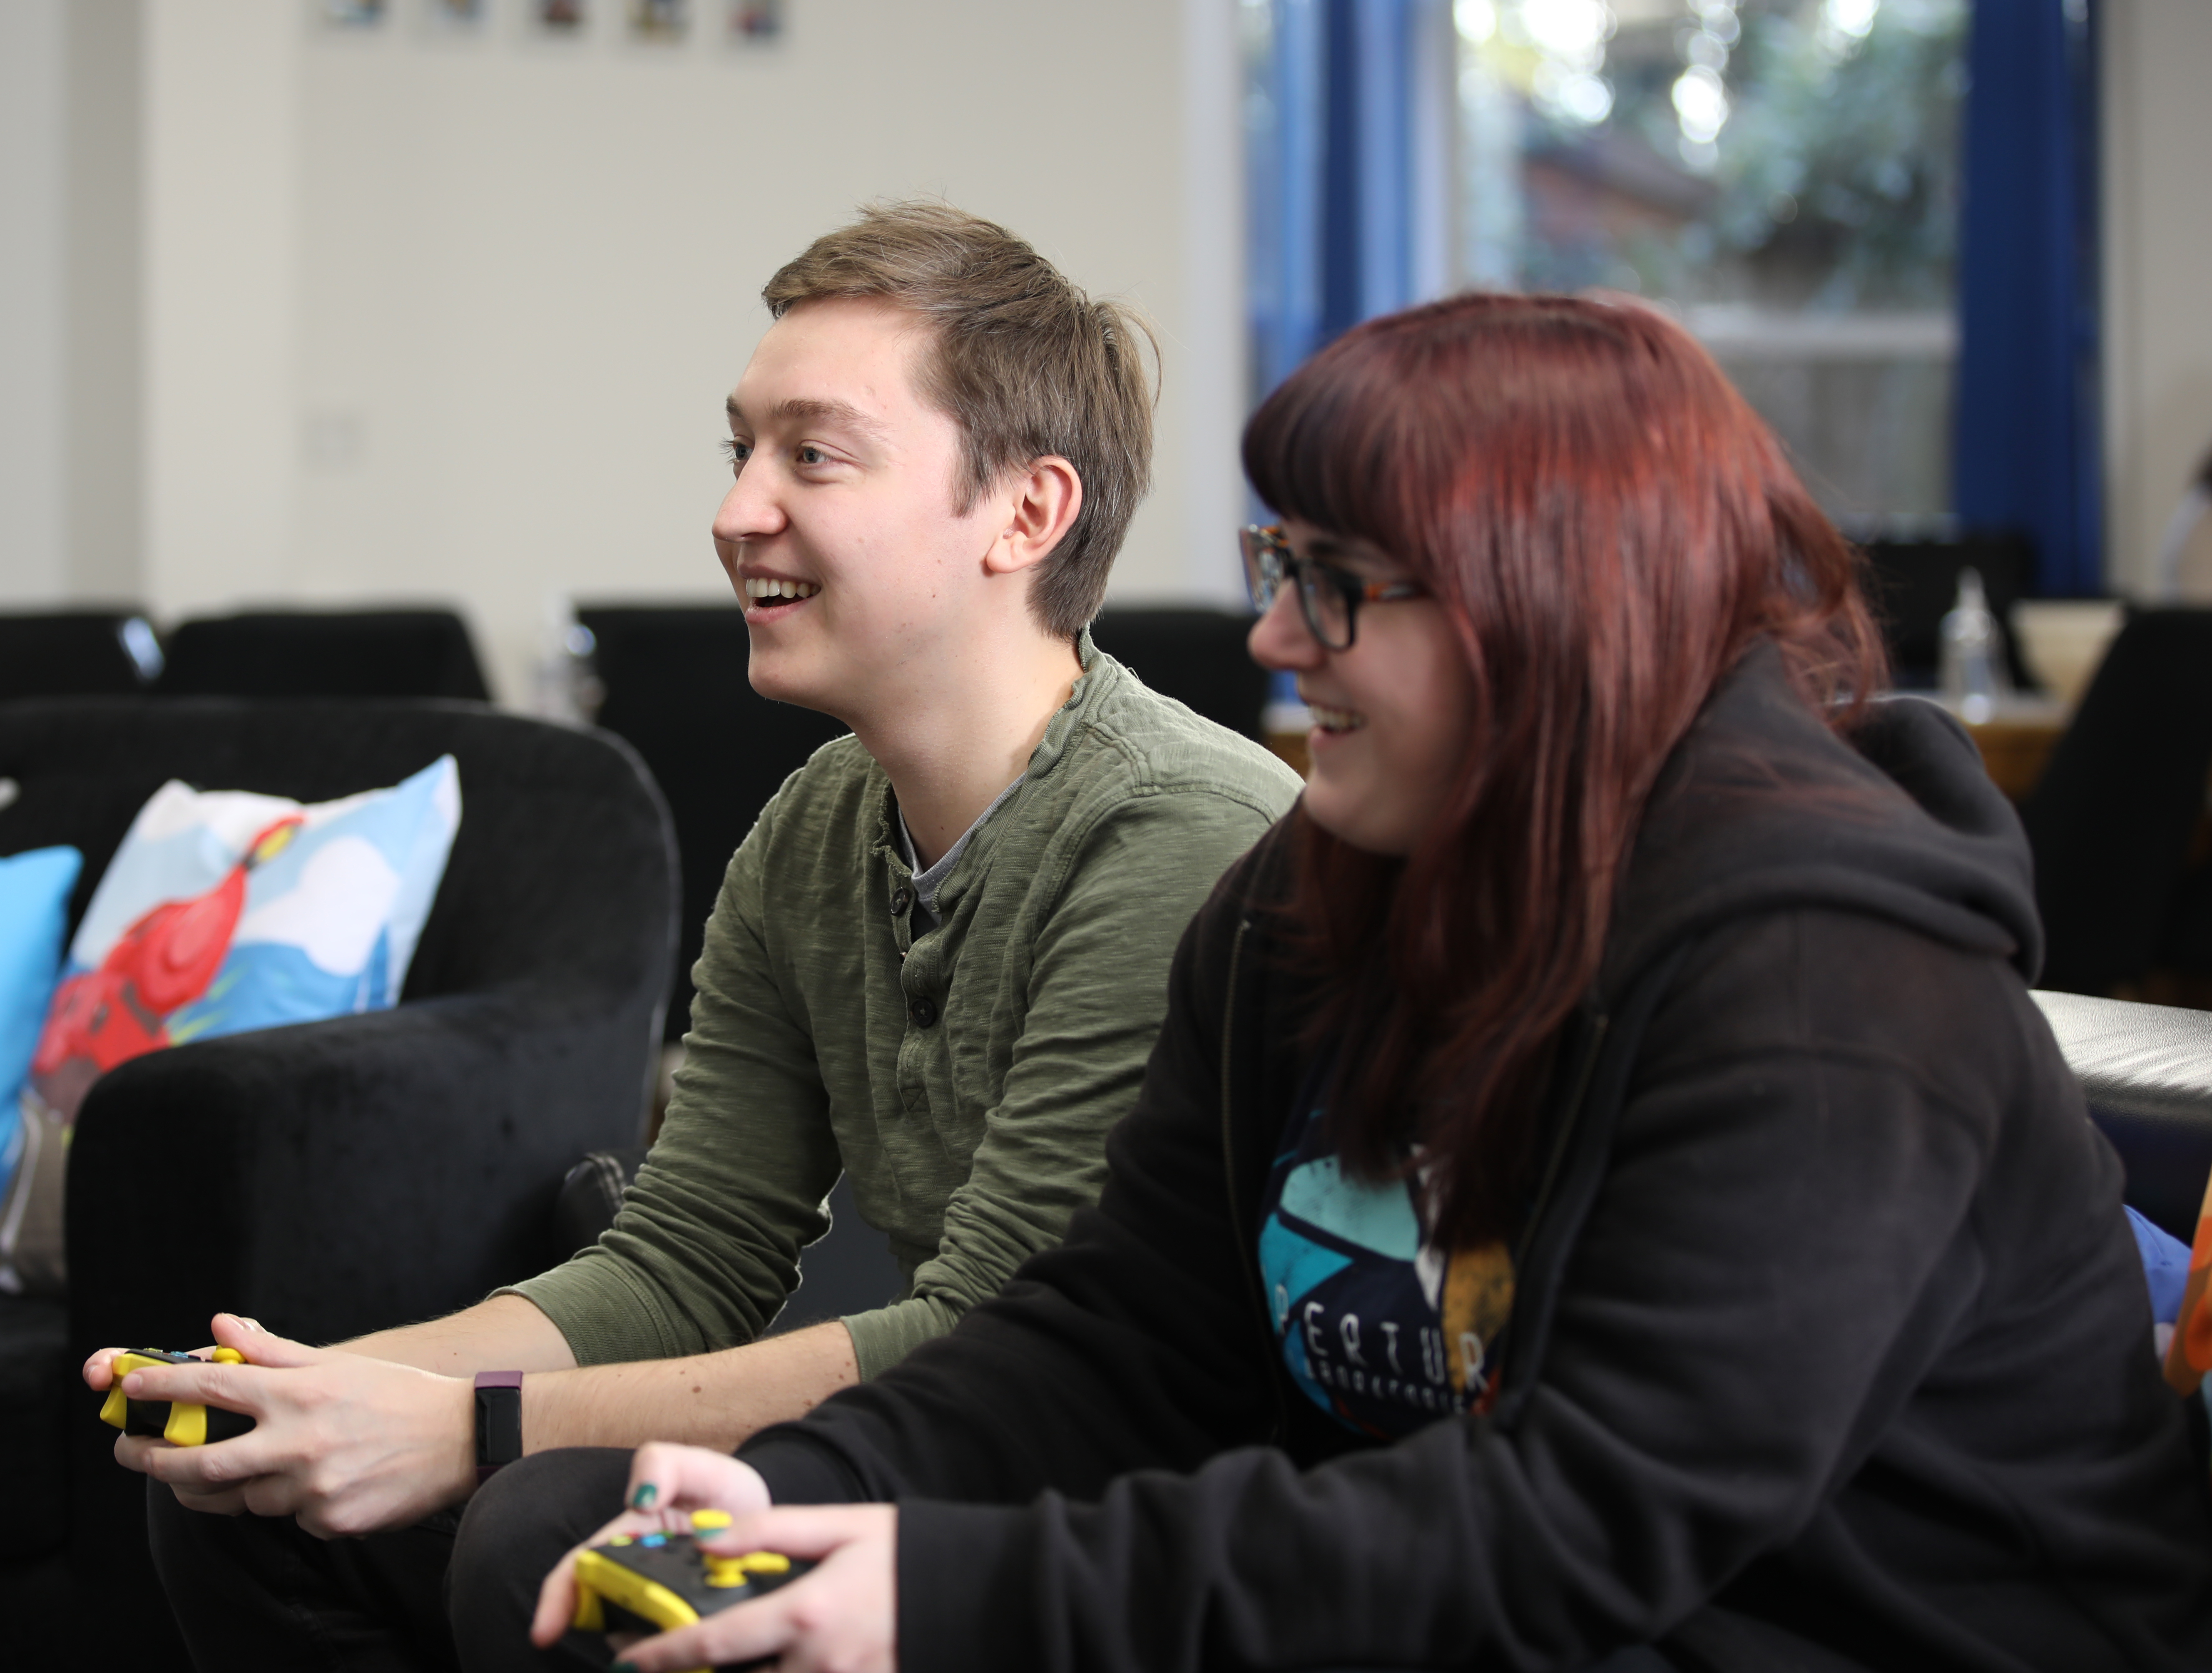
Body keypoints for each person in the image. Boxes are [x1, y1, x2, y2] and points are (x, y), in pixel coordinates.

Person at [521, 293, 2212, 1673]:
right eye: (1279, 567)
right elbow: (1125, 1334)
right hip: (1485, 1599)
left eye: (1337, 584)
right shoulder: (1305, 901)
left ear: (1548, 613)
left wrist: (945, 1594)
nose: (1272, 639)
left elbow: (1586, 1522)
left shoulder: (1828, 974)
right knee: (591, 1565)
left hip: (1834, 1633)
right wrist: (811, 1492)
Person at [82, 201, 1299, 1666]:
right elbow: (683, 1259)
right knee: (247, 1487)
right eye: (742, 453)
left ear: (1025, 514)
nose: (738, 512)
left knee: (548, 1529)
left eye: (815, 453)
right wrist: (328, 1388)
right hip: (946, 1419)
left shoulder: (1176, 829)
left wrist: (465, 1428)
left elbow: (1005, 1335)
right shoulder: (813, 826)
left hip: (1120, 1466)